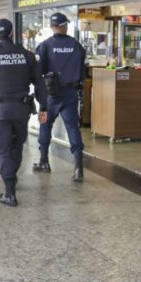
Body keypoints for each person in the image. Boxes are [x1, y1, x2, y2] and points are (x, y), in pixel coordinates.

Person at [0, 19, 48, 207]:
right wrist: (43, 107)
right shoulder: (27, 55)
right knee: (17, 146)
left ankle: (9, 193)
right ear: (12, 33)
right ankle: (11, 176)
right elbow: (39, 83)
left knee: (3, 151)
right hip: (22, 110)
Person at [32, 12, 87, 182]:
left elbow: (37, 73)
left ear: (52, 27)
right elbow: (82, 73)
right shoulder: (77, 45)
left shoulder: (45, 46)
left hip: (51, 94)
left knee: (45, 125)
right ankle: (78, 169)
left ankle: (44, 162)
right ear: (65, 26)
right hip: (70, 93)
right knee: (72, 128)